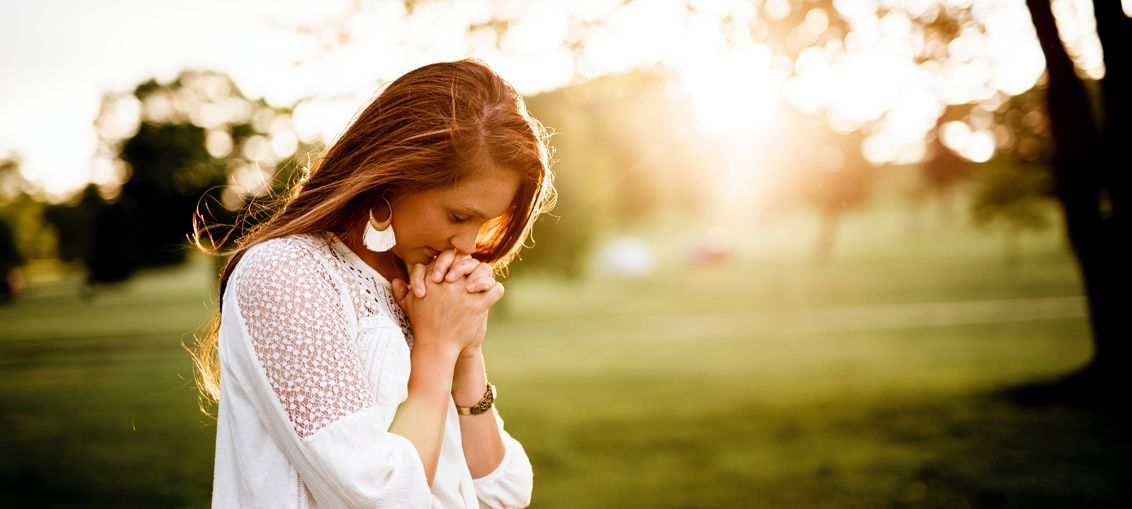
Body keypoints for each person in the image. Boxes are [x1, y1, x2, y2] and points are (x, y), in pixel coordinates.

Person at [191, 58, 556, 508]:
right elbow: (380, 497)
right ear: (393, 177)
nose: (467, 244)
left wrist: (466, 352)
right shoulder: (287, 274)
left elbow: (502, 491)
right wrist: (437, 350)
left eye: (483, 224)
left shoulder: (419, 286)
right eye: (459, 216)